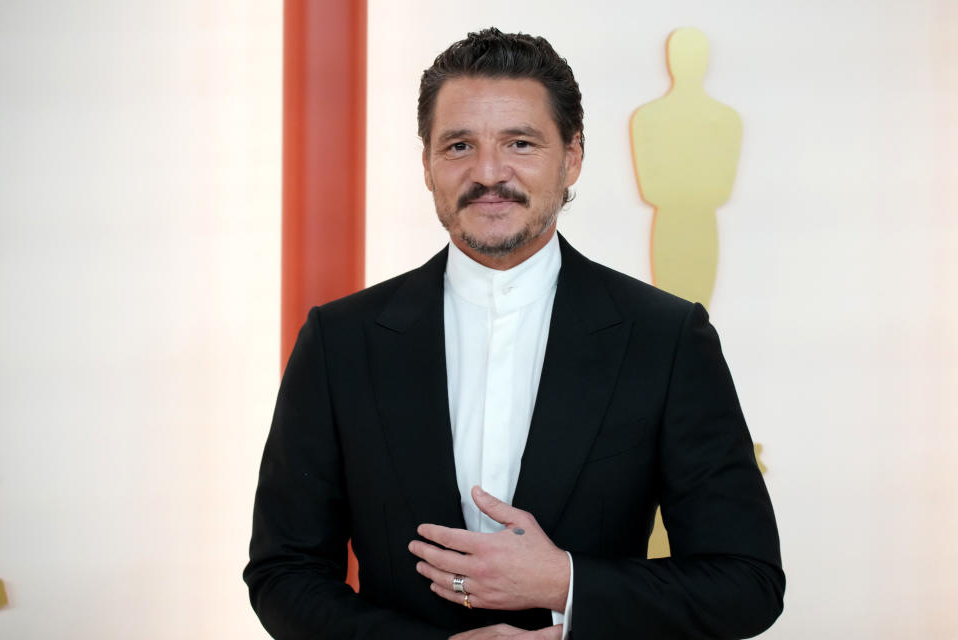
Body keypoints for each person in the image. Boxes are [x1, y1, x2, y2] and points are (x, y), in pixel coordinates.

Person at [243, 27, 784, 640]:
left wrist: (567, 584)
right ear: (426, 164)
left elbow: (747, 583)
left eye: (520, 143)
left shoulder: (666, 337)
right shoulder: (340, 340)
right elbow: (282, 572)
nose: (488, 172)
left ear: (573, 156)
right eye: (458, 147)